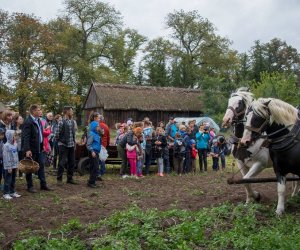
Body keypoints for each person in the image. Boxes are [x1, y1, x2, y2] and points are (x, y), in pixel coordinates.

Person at [22, 104, 52, 192]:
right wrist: (27, 149)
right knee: (30, 167)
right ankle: (30, 186)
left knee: (41, 165)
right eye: (38, 110)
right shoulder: (28, 121)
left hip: (40, 148)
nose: (40, 111)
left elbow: (40, 133)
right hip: (31, 149)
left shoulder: (38, 120)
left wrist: (42, 144)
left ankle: (43, 185)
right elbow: (26, 136)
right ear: (34, 111)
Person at [55, 106, 77, 185]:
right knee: (62, 162)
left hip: (71, 145)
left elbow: (73, 133)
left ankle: (70, 178)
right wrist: (62, 141)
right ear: (67, 112)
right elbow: (56, 134)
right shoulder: (61, 122)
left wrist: (74, 143)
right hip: (63, 145)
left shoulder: (73, 122)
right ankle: (59, 179)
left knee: (72, 162)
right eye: (71, 111)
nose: (72, 112)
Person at [2, 130, 21, 200]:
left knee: (13, 179)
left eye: (16, 136)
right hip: (8, 167)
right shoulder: (6, 146)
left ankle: (12, 192)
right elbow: (6, 157)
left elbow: (16, 156)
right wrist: (8, 167)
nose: (16, 137)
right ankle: (6, 193)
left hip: (14, 165)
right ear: (9, 136)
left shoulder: (15, 145)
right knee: (8, 180)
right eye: (14, 136)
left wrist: (17, 165)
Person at [86, 120, 102, 188]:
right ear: (94, 127)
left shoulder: (96, 134)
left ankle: (92, 181)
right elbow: (88, 144)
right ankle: (91, 182)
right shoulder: (91, 134)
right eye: (97, 126)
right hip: (93, 152)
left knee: (94, 167)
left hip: (96, 152)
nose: (99, 127)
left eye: (98, 126)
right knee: (94, 167)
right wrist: (92, 151)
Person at [99, 115, 110, 179]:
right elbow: (108, 136)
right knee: (102, 157)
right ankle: (102, 170)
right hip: (104, 144)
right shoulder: (106, 126)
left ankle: (100, 171)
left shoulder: (97, 126)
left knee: (98, 157)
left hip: (97, 143)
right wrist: (107, 144)